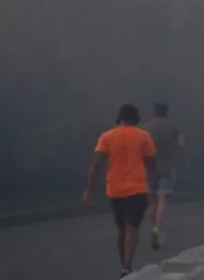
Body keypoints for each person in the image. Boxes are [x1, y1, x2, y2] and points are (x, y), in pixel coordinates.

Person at [83, 104, 157, 279]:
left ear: (120, 118)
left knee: (121, 228)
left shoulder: (107, 136)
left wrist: (88, 190)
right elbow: (151, 163)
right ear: (136, 119)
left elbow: (97, 165)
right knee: (133, 228)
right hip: (137, 188)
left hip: (115, 189)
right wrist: (154, 179)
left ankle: (123, 263)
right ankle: (127, 265)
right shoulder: (143, 137)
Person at [142, 101, 184, 250]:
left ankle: (153, 227)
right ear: (167, 113)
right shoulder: (173, 128)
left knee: (152, 203)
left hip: (149, 169)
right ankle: (158, 229)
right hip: (166, 168)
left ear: (154, 112)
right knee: (163, 200)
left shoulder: (146, 129)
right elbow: (180, 145)